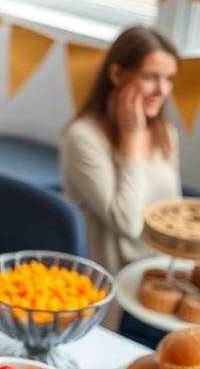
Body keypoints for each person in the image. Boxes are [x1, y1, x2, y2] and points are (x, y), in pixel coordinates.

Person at [60, 26, 181, 343]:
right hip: (114, 302)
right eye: (151, 77)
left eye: (169, 79)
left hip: (161, 287)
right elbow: (126, 222)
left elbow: (172, 216)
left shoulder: (165, 132)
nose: (162, 90)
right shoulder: (82, 138)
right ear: (116, 73)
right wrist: (131, 141)